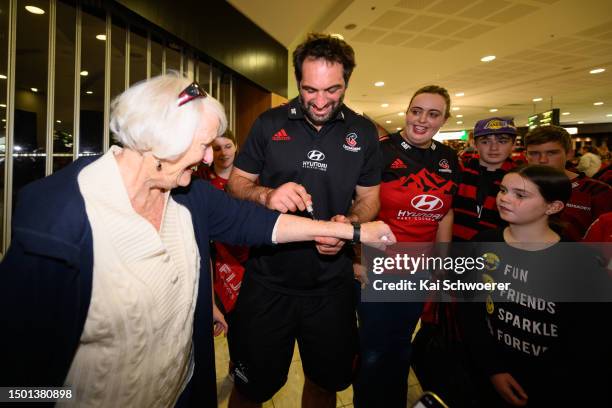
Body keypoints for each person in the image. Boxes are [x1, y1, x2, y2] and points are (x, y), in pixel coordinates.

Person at [0, 73, 395, 408]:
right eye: (203, 144)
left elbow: (261, 224)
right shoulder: (57, 218)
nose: (210, 158)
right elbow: (15, 375)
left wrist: (352, 232)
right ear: (160, 139)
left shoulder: (189, 197)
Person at [225, 33, 381, 408]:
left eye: (333, 89)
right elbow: (236, 184)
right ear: (297, 80)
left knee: (325, 383)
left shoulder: (362, 132)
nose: (321, 101)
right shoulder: (268, 123)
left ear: (347, 82)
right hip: (267, 281)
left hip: (332, 287)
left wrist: (348, 225)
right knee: (249, 388)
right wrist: (266, 194)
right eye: (310, 89)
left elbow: (370, 199)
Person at [462, 165, 612, 407]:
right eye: (503, 190)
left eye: (520, 195)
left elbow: (591, 344)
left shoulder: (581, 265)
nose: (504, 199)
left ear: (553, 207)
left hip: (554, 384)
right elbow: (471, 312)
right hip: (491, 372)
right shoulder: (482, 243)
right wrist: (492, 368)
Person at [353, 85, 460, 408]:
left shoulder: (448, 158)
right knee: (373, 349)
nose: (422, 120)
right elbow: (356, 206)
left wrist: (440, 268)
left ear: (444, 119)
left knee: (402, 346)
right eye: (416, 111)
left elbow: (445, 214)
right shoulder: (380, 152)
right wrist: (356, 260)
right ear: (407, 111)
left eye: (433, 114)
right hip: (378, 269)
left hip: (418, 272)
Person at [524, 125, 612, 241]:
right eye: (534, 153)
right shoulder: (516, 187)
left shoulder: (597, 191)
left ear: (569, 154)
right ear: (526, 155)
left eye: (551, 153)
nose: (542, 160)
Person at [453, 117, 517, 241]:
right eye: (485, 142)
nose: (494, 148)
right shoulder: (458, 174)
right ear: (475, 144)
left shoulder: (523, 180)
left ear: (513, 145)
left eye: (502, 141)